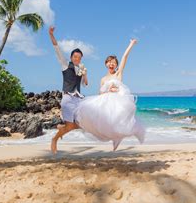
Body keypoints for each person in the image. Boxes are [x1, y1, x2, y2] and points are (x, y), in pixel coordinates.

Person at [75, 39, 145, 151]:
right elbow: (100, 93)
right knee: (104, 122)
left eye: (113, 62)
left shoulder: (118, 73)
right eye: (109, 62)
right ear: (106, 64)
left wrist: (131, 44)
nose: (111, 63)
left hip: (119, 100)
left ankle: (118, 138)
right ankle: (115, 138)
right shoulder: (103, 79)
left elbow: (125, 57)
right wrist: (109, 90)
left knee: (120, 121)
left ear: (116, 65)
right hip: (107, 101)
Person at [48, 26, 88, 154]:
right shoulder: (65, 64)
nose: (77, 59)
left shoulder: (80, 69)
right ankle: (54, 139)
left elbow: (85, 84)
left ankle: (62, 127)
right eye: (75, 57)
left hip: (79, 99)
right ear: (71, 57)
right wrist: (51, 34)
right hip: (68, 98)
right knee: (71, 126)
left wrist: (85, 74)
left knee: (84, 125)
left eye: (79, 57)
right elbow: (57, 48)